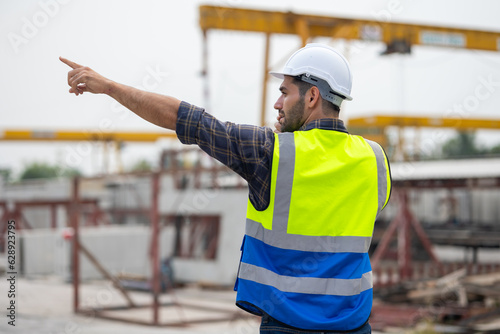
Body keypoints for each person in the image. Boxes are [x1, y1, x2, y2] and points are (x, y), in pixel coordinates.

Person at [61, 43, 391, 333]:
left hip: (289, 326)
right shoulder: (375, 160)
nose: (277, 103)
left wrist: (109, 87)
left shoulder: (271, 152)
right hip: (353, 326)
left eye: (285, 92)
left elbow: (185, 118)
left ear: (312, 96)